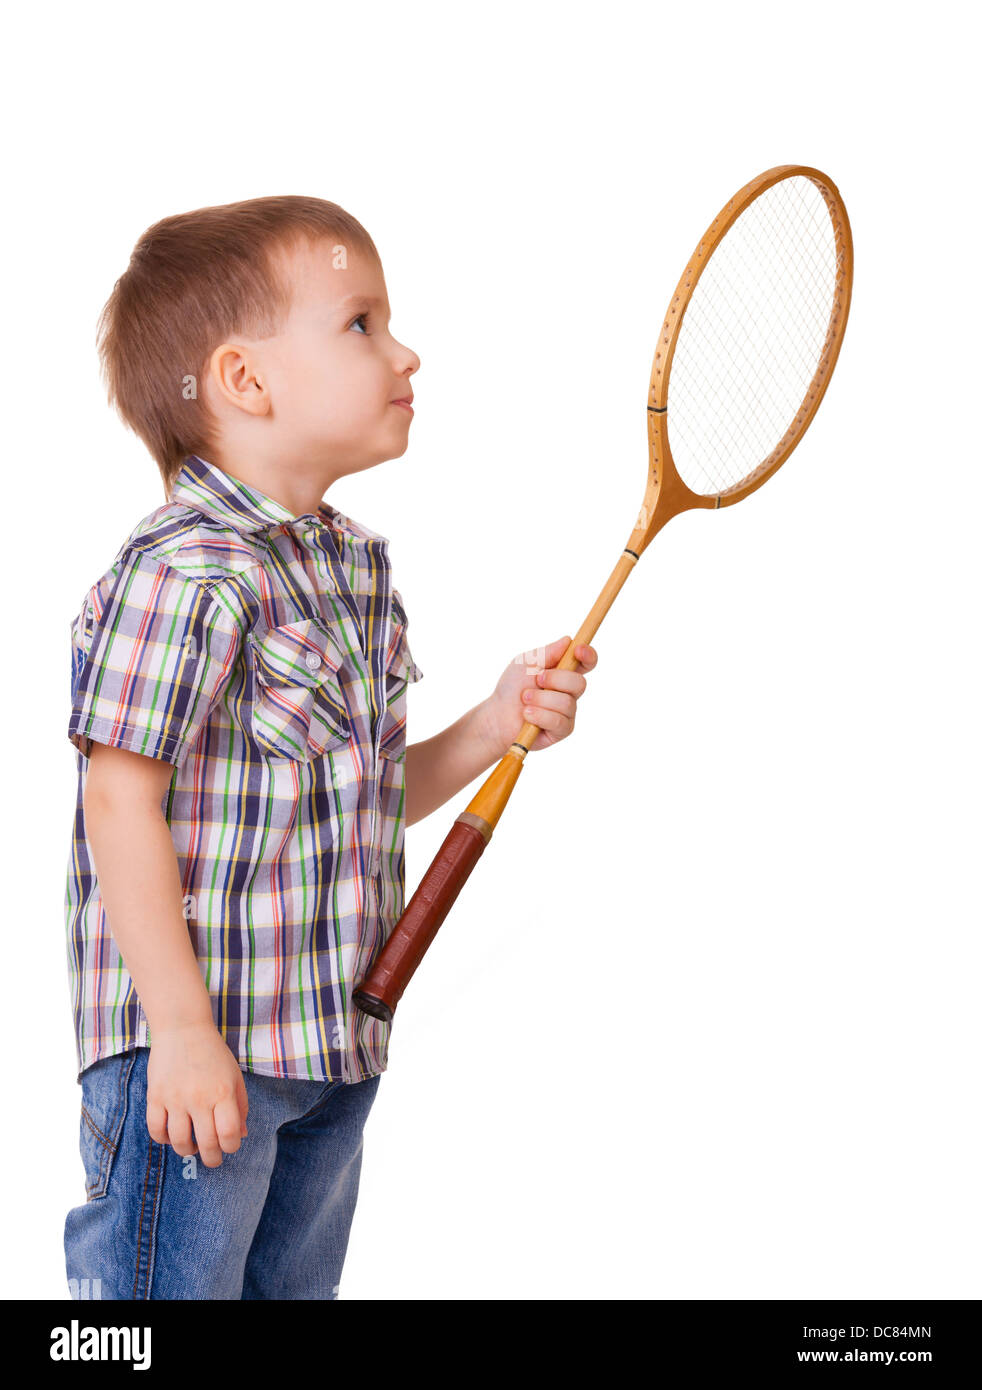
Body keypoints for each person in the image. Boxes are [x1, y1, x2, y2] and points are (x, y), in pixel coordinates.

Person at [63, 195, 598, 1300]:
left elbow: (351, 799)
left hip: (330, 1045)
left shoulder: (350, 569)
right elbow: (118, 804)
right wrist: (178, 1030)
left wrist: (494, 724)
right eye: (360, 323)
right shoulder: (182, 572)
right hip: (205, 1054)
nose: (405, 349)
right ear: (245, 381)